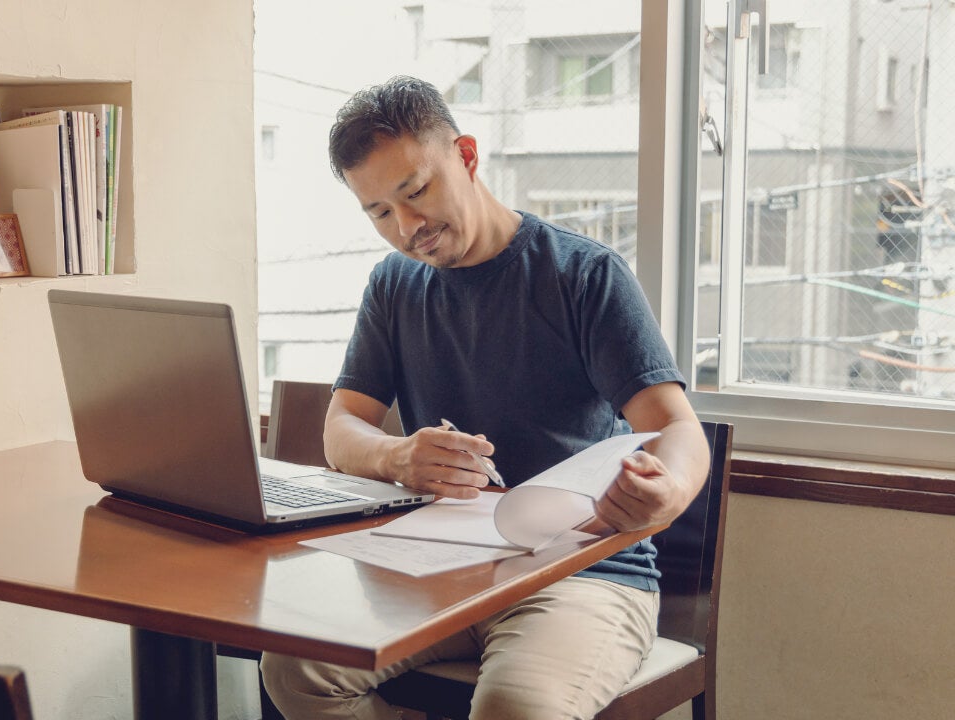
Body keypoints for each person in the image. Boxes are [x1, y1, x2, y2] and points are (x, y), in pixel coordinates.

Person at [259, 76, 711, 720]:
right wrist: (395, 458)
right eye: (381, 213)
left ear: (467, 157)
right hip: (434, 568)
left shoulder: (582, 274)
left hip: (580, 577)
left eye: (416, 192)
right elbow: (343, 427)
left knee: (515, 710)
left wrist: (665, 490)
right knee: (295, 668)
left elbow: (675, 427)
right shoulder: (394, 285)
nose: (407, 226)